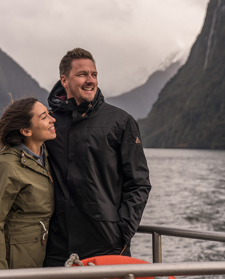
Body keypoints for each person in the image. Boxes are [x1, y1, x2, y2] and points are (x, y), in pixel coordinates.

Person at [43, 48, 151, 266]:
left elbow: (138, 183)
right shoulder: (49, 123)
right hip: (57, 248)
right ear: (64, 80)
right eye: (82, 74)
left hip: (107, 245)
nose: (90, 80)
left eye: (94, 74)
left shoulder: (121, 121)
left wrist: (122, 232)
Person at [0, 97, 56, 269]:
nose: (52, 119)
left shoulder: (46, 157)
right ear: (26, 131)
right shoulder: (6, 166)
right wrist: (0, 274)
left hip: (45, 252)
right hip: (19, 259)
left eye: (50, 114)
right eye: (44, 116)